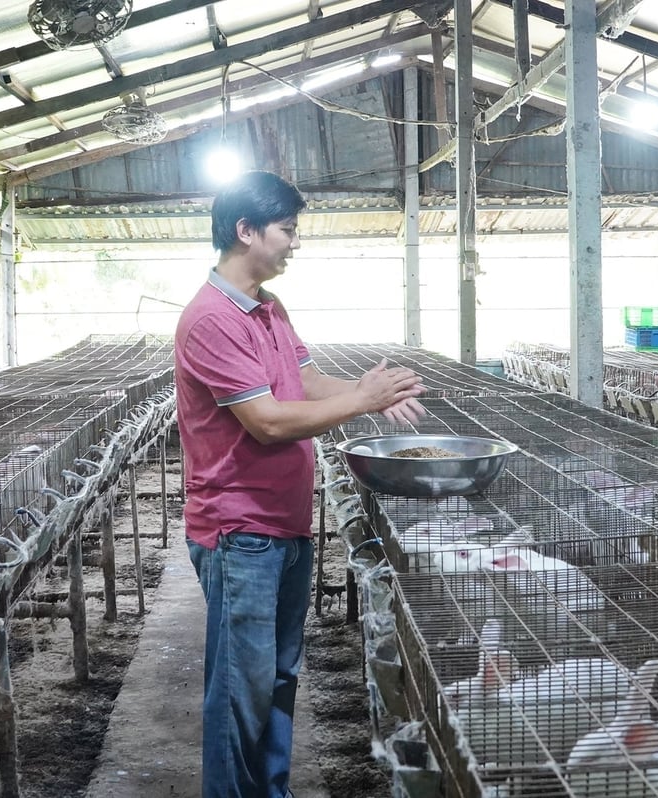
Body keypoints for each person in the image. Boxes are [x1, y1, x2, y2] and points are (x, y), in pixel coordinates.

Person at [173, 170, 426, 798]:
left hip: (280, 525)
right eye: (287, 230)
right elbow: (265, 422)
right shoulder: (212, 319)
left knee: (277, 679)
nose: (294, 242)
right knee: (241, 688)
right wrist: (363, 402)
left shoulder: (266, 306)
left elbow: (305, 383)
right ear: (246, 231)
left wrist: (376, 392)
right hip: (240, 532)